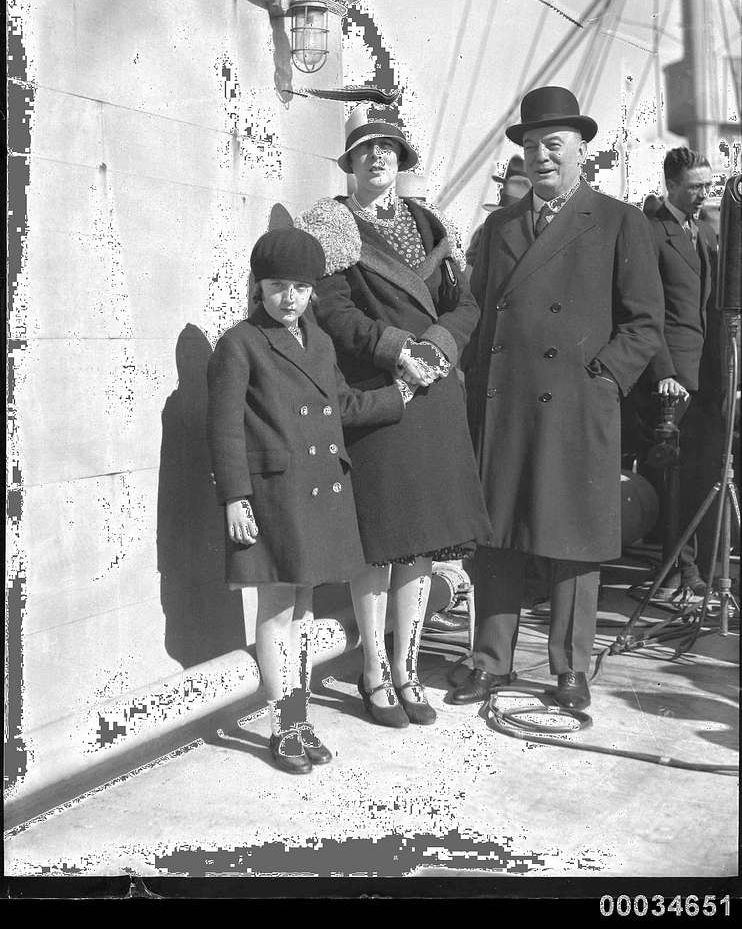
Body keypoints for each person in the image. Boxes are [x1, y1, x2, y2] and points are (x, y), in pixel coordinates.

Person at [457, 86, 664, 710]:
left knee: (573, 539)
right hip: (505, 402)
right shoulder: (499, 227)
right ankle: (490, 662)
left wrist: (602, 378)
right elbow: (480, 313)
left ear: (581, 151)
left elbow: (645, 321)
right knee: (497, 535)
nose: (541, 157)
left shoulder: (619, 221)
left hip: (577, 406)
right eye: (531, 146)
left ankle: (570, 669)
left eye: (554, 145)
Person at [294, 118, 492, 728]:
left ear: (400, 158)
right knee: (378, 546)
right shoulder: (329, 226)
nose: (376, 158)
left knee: (421, 550)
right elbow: (332, 308)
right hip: (382, 395)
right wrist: (397, 349)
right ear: (348, 162)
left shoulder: (433, 224)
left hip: (435, 397)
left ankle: (408, 673)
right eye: (364, 150)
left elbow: (466, 304)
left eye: (386, 149)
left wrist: (437, 344)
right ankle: (373, 674)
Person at [206, 228, 414, 773]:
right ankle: (284, 727)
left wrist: (398, 398)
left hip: (317, 493)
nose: (290, 298)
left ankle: (298, 720)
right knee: (277, 612)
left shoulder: (318, 342)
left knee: (302, 615)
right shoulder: (239, 343)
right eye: (278, 287)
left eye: (300, 288)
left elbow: (340, 404)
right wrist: (235, 498)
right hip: (273, 497)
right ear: (259, 287)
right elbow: (224, 429)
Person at [625, 148, 719, 602]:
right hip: (669, 377)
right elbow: (647, 310)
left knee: (698, 470)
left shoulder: (702, 229)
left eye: (708, 183)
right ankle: (678, 568)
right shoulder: (649, 231)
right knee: (673, 474)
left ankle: (690, 566)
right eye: (697, 185)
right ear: (672, 184)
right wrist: (663, 371)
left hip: (701, 371)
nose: (706, 191)